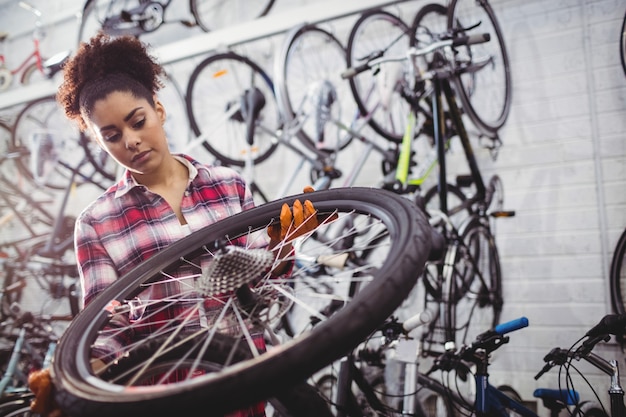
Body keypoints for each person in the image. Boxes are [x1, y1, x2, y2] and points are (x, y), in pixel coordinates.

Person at [28, 32, 321, 417]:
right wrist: (77, 380)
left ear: (159, 111)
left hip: (246, 383)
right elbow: (108, 327)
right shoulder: (96, 223)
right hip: (167, 399)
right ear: (100, 143)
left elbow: (260, 296)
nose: (130, 141)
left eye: (138, 121)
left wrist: (284, 248)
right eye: (112, 135)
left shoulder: (227, 184)